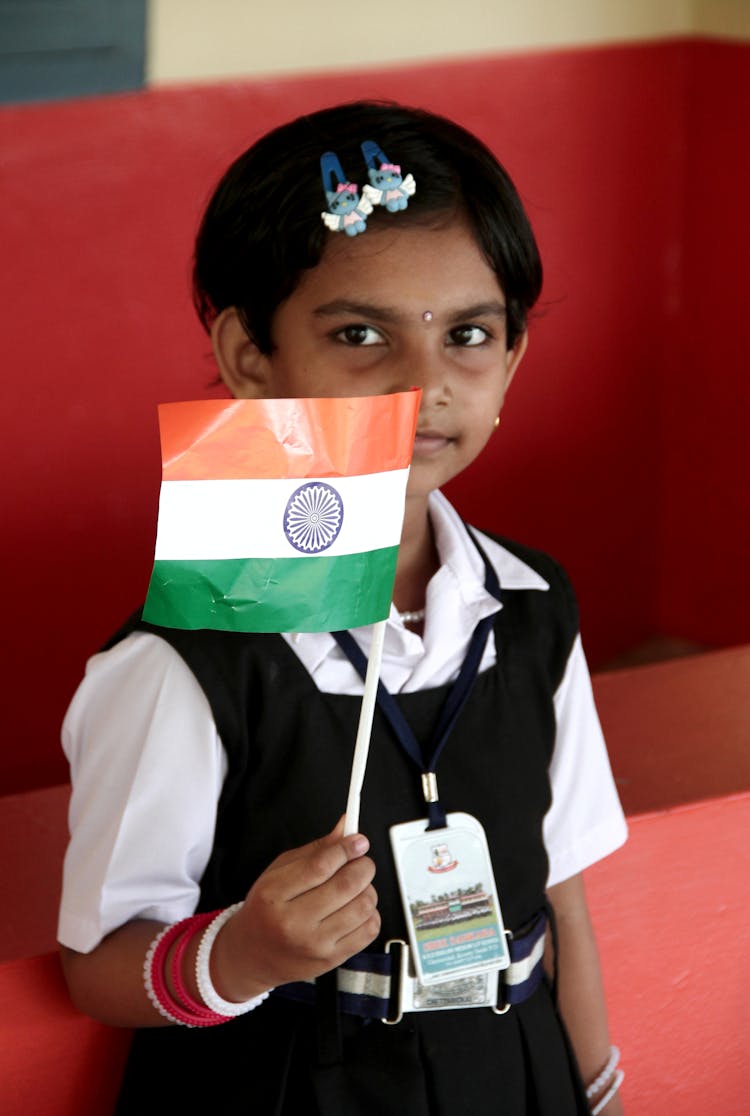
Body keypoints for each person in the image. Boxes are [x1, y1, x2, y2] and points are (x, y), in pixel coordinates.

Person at [59, 101, 627, 1115]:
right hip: (286, 1089)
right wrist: (243, 951)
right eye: (360, 334)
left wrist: (599, 1091)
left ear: (512, 361)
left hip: (516, 1073)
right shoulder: (187, 659)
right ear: (249, 356)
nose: (424, 382)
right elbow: (99, 968)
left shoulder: (533, 610)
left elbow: (562, 898)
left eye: (468, 334)